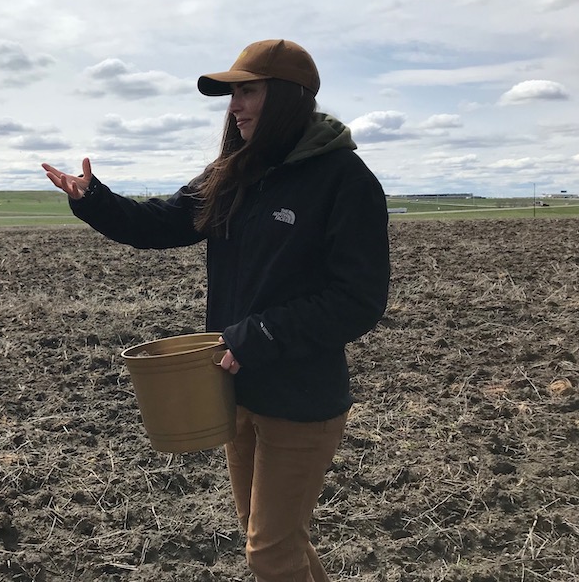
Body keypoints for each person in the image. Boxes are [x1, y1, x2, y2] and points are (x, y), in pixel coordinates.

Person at [42, 39, 390, 582]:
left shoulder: (345, 181)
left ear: (290, 97)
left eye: (248, 92)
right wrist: (95, 200)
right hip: (239, 391)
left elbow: (359, 299)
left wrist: (260, 336)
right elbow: (163, 222)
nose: (235, 107)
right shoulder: (235, 173)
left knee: (269, 553)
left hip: (302, 400)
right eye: (232, 95)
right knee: (276, 540)